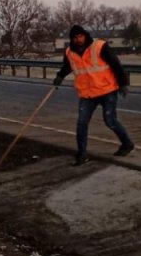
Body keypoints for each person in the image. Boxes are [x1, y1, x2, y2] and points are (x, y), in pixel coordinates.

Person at [53, 25, 135, 166]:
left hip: (107, 90)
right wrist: (60, 76)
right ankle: (82, 154)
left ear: (85, 35)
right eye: (75, 37)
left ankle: (127, 144)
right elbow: (68, 66)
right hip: (87, 93)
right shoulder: (69, 52)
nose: (78, 39)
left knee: (110, 121)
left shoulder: (99, 46)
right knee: (81, 123)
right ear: (72, 39)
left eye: (80, 36)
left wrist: (122, 83)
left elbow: (115, 64)